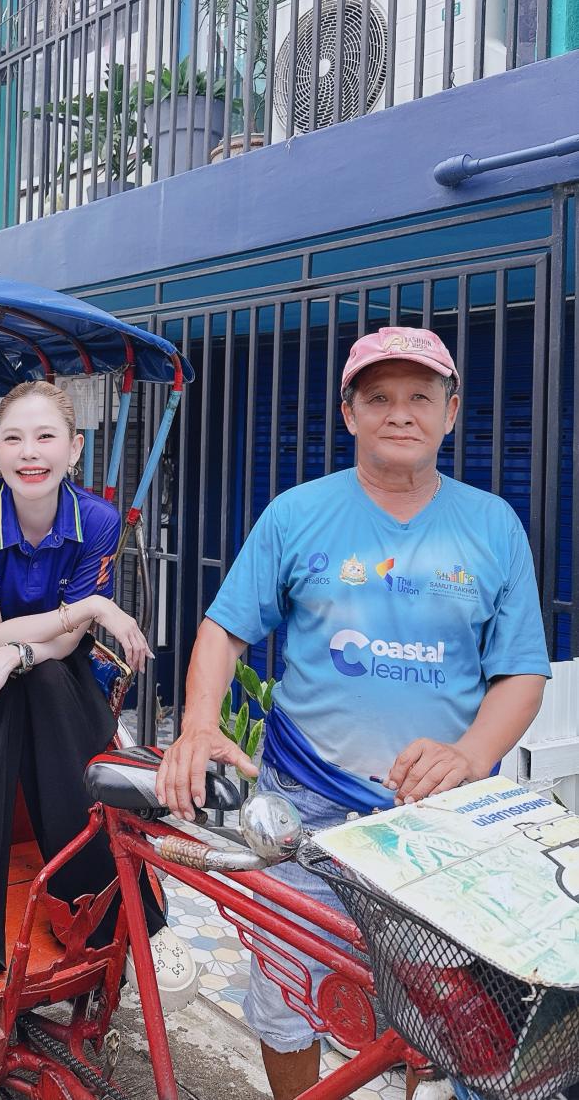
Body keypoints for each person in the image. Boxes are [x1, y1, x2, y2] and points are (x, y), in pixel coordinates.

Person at [156, 325, 550, 1100]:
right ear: (349, 413)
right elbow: (224, 629)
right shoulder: (296, 515)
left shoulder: (493, 525)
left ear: (450, 411)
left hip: (438, 821)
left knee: (449, 1015)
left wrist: (471, 753)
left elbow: (521, 673)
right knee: (285, 997)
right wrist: (199, 723)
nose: (399, 412)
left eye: (419, 396)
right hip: (304, 816)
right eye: (378, 397)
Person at [0, 380, 197, 1045]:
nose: (29, 452)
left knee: (42, 679)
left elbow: (55, 646)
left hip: (51, 668)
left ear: (75, 449)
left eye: (45, 437)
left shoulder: (98, 521)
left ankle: (117, 916)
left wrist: (19, 651)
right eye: (13, 438)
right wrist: (84, 610)